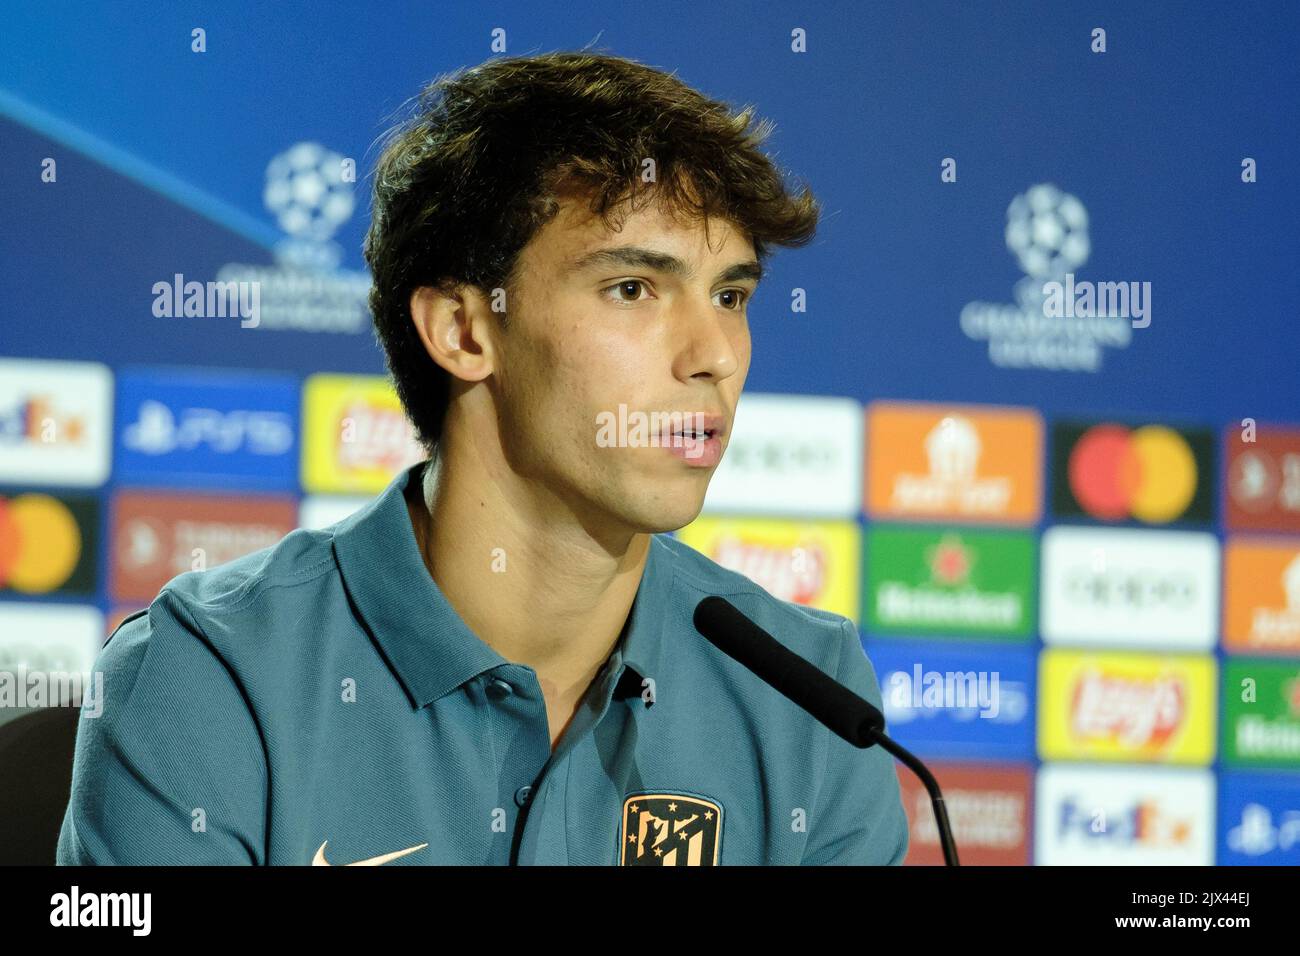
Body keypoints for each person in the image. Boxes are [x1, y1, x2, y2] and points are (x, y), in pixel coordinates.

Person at [57, 50, 908, 866]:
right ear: (465, 331)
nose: (714, 353)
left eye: (731, 295)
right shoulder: (211, 678)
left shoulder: (812, 702)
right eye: (633, 288)